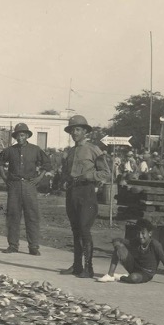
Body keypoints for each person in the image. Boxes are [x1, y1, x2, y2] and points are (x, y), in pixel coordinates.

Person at [59, 115, 111, 278]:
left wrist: (89, 176)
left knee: (84, 229)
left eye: (78, 129)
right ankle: (77, 266)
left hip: (87, 192)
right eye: (72, 130)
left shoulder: (93, 149)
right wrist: (64, 180)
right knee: (75, 229)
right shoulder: (70, 152)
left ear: (85, 131)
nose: (74, 133)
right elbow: (66, 172)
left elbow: (106, 173)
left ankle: (89, 268)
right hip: (72, 193)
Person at [0, 122, 52, 255]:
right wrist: (5, 178)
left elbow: (47, 163)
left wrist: (39, 178)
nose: (20, 138)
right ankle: (13, 245)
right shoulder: (10, 150)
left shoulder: (35, 149)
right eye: (18, 136)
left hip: (29, 185)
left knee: (32, 216)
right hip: (14, 186)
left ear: (27, 136)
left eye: (22, 135)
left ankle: (33, 246)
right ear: (15, 137)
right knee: (13, 216)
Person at [97, 219, 164, 285]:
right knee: (119, 247)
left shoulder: (155, 245)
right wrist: (117, 244)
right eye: (138, 233)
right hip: (134, 267)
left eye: (143, 233)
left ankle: (121, 277)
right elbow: (120, 240)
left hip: (146, 273)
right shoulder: (136, 241)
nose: (140, 236)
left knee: (133, 278)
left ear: (150, 233)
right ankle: (110, 275)